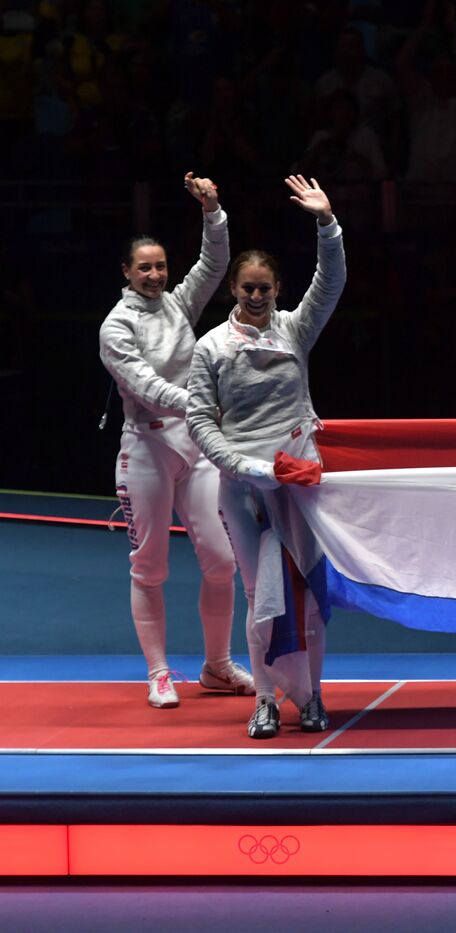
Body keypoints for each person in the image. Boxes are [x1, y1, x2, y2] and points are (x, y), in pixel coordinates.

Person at [185, 175, 346, 740]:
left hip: (300, 480)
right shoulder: (210, 347)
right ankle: (267, 702)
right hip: (243, 485)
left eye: (266, 289)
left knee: (309, 593)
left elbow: (330, 284)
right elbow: (201, 421)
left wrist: (327, 223)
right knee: (259, 597)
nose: (256, 296)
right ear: (234, 288)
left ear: (277, 290)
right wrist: (250, 468)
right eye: (248, 288)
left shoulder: (294, 332)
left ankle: (315, 697)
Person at [98, 171, 253, 709]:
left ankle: (216, 666)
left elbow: (213, 266)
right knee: (151, 566)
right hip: (146, 451)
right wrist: (201, 402)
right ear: (127, 272)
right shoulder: (116, 327)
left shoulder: (177, 305)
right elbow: (146, 385)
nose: (156, 275)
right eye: (145, 268)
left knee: (222, 560)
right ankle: (160, 673)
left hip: (196, 446)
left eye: (161, 266)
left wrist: (213, 211)